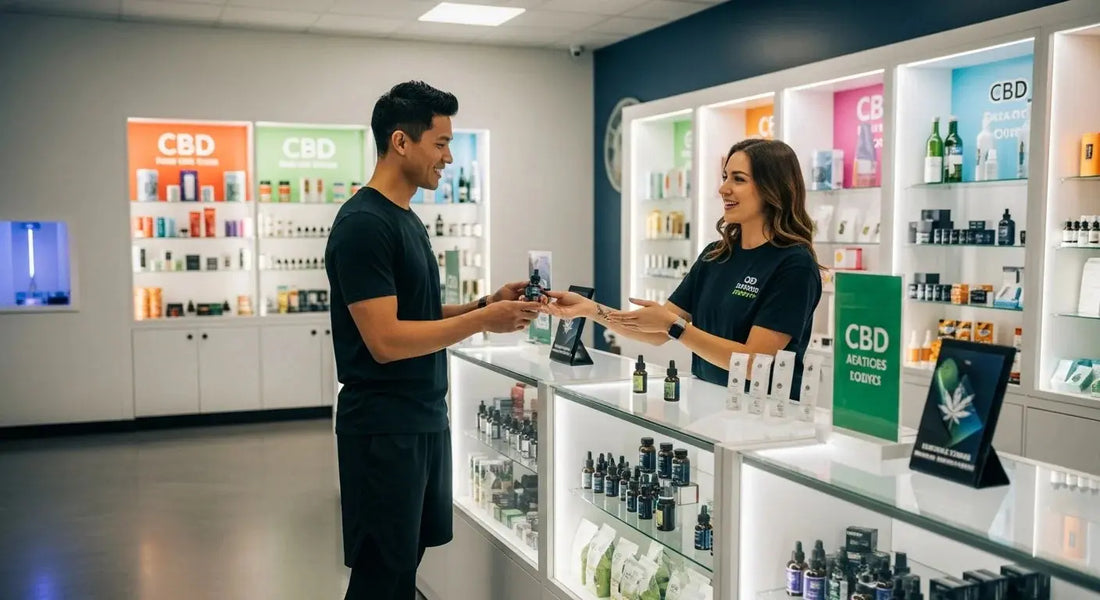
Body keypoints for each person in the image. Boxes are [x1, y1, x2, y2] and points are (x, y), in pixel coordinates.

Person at [325, 81, 542, 600]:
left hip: (420, 420)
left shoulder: (405, 219)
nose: (448, 158)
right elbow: (386, 340)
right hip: (384, 431)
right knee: (380, 578)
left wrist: (484, 304)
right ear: (401, 142)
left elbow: (414, 316)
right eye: (440, 143)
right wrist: (482, 321)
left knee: (403, 570)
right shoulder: (363, 225)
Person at [546, 138, 823, 394]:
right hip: (707, 400)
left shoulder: (794, 265)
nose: (723, 188)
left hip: (764, 414)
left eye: (738, 179)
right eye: (725, 177)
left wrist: (676, 327)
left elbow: (754, 363)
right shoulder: (715, 255)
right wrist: (588, 309)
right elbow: (655, 332)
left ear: (773, 189)